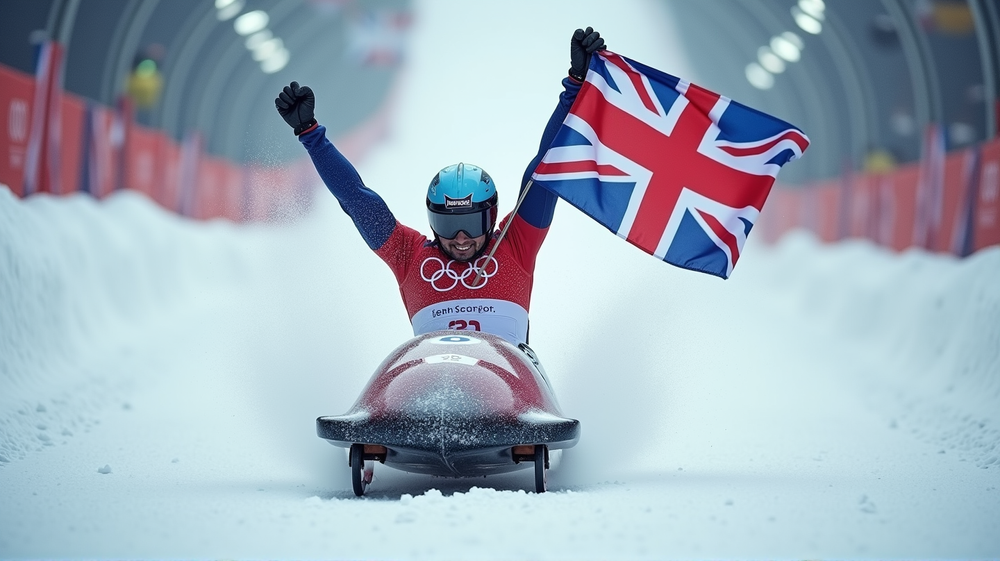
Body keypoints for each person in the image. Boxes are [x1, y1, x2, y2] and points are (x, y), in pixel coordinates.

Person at [275, 27, 606, 347]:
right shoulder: (408, 256)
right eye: (449, 225)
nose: (461, 238)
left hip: (508, 387)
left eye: (471, 224)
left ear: (490, 220)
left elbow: (547, 165)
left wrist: (575, 86)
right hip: (434, 390)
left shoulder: (515, 244)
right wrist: (309, 133)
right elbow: (356, 199)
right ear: (432, 222)